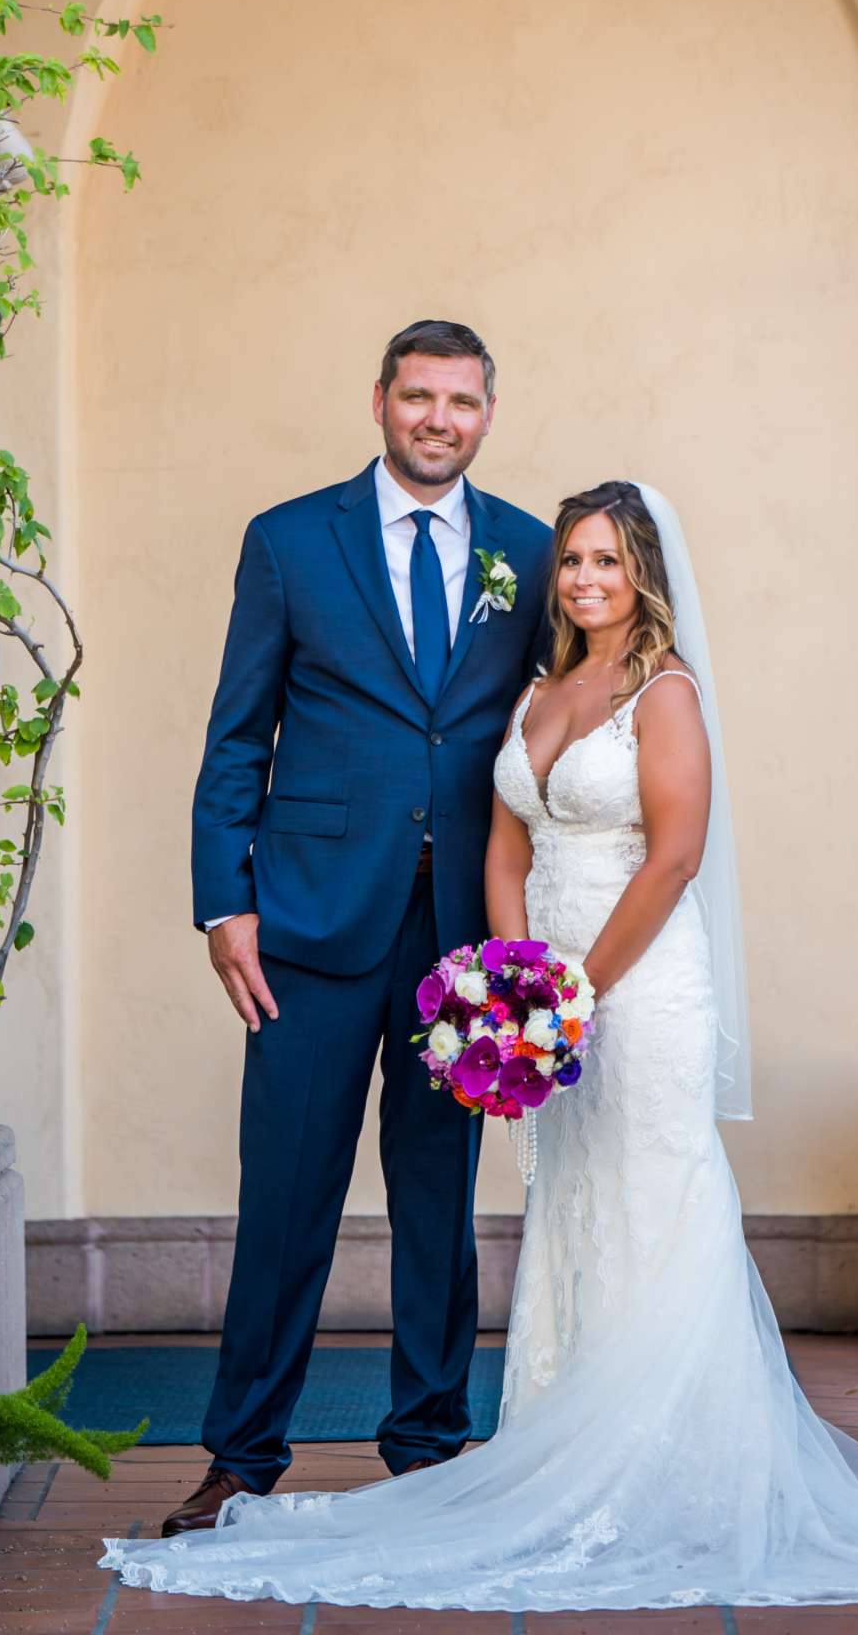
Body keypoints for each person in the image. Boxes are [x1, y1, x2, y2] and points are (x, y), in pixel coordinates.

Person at [111, 481, 858, 1607]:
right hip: (450, 958)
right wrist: (511, 986)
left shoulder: (663, 687)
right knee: (549, 1207)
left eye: (606, 561)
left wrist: (575, 991)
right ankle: (274, 1456)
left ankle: (569, 1462)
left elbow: (673, 858)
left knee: (614, 1203)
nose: (586, 578)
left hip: (629, 991)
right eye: (574, 562)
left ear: (642, 569)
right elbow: (456, 817)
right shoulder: (494, 658)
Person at [157, 320, 552, 1536]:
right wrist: (226, 904)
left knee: (440, 1198)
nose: (439, 419)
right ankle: (242, 1454)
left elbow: (547, 729)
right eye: (419, 397)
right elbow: (238, 735)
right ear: (380, 401)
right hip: (309, 927)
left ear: (489, 413)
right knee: (286, 1194)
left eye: (462, 402)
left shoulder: (531, 553)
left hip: (461, 941)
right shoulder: (288, 541)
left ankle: (430, 1445)